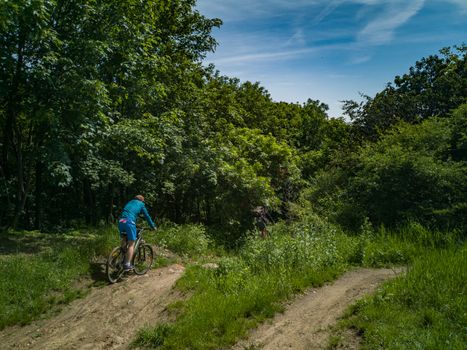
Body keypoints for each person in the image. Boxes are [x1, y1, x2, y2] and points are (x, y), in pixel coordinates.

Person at [118, 195, 156, 271]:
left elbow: (129, 213)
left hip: (121, 221)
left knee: (124, 240)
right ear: (142, 200)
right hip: (129, 222)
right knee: (132, 244)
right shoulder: (141, 204)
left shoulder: (130, 202)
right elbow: (147, 216)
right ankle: (127, 264)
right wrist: (153, 226)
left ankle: (120, 259)